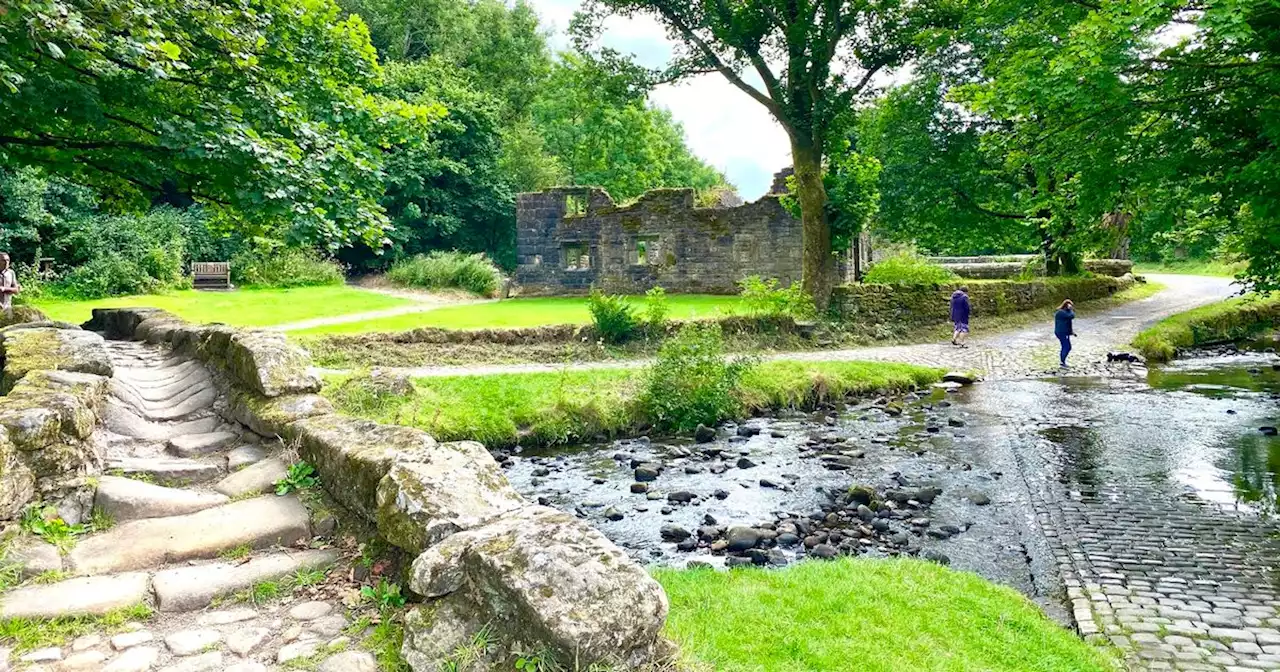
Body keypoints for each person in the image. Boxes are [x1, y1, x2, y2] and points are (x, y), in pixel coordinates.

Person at [1054, 299, 1076, 368]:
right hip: (1061, 332)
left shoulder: (1065, 312)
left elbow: (1069, 323)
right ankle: (1062, 362)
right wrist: (1070, 310)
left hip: (1064, 332)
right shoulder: (1061, 312)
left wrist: (1071, 332)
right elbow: (1071, 316)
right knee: (1066, 346)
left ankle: (1062, 361)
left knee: (1067, 346)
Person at [0, 253, 19, 320]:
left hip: (7, 307)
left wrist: (4, 289)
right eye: (3, 260)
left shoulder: (11, 273)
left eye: (8, 260)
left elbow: (16, 290)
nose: (6, 263)